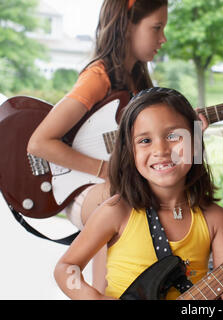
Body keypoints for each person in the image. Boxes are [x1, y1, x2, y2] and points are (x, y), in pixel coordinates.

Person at [53, 87, 223, 300]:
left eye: (174, 136)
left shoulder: (215, 218)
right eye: (145, 140)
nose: (161, 150)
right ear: (130, 153)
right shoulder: (116, 211)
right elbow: (66, 268)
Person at [26, 0, 207, 292]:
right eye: (157, 28)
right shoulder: (97, 77)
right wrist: (107, 169)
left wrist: (190, 135)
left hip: (115, 183)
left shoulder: (138, 80)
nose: (163, 39)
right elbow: (39, 142)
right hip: (84, 188)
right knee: (116, 199)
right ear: (127, 26)